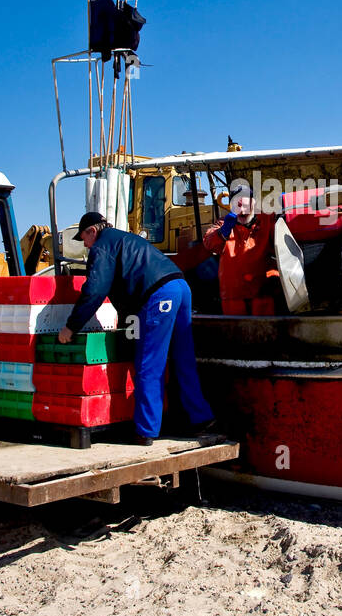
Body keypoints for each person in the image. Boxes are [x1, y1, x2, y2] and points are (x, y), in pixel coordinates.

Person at [57, 211, 217, 445]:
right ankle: (201, 419)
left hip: (159, 295)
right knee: (183, 359)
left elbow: (95, 290)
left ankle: (146, 431)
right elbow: (128, 292)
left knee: (149, 364)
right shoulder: (126, 239)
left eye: (85, 239)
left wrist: (71, 327)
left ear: (92, 231)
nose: (86, 246)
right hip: (181, 287)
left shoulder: (103, 246)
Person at [203, 180, 279, 315]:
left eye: (246, 205)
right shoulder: (224, 224)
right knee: (235, 332)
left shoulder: (268, 220)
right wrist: (223, 232)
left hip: (262, 293)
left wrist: (284, 210)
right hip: (233, 296)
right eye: (237, 205)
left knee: (264, 331)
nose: (242, 210)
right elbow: (209, 243)